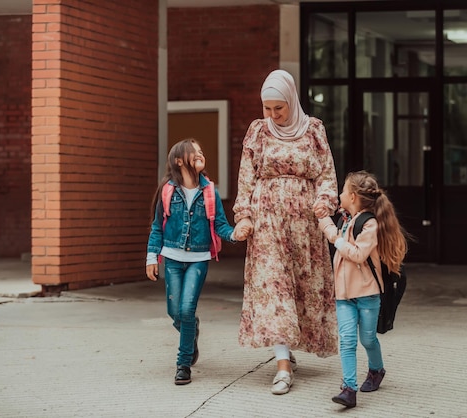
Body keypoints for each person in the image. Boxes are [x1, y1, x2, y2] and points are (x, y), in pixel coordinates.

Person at [233, 69, 339, 395]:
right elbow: (246, 178)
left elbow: (326, 174)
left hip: (305, 226)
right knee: (274, 289)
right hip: (267, 224)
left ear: (291, 101)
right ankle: (281, 365)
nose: (273, 115)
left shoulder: (314, 130)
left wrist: (324, 202)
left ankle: (288, 350)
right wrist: (244, 215)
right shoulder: (258, 131)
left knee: (300, 289)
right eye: (267, 108)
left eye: (279, 108)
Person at [146, 138, 249, 386]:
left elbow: (220, 225)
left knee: (186, 310)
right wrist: (152, 257)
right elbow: (157, 227)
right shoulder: (167, 191)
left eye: (202, 151)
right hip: (171, 257)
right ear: (179, 160)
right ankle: (191, 330)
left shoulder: (210, 191)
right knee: (175, 312)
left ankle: (183, 364)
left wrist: (235, 234)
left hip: (199, 259)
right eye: (195, 152)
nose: (201, 154)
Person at [317, 170, 408, 408]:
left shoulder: (369, 224)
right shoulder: (346, 219)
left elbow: (357, 254)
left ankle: (376, 370)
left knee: (368, 339)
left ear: (354, 196)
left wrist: (334, 237)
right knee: (347, 340)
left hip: (367, 295)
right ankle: (349, 389)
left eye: (344, 191)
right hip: (344, 296)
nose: (340, 195)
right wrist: (327, 221)